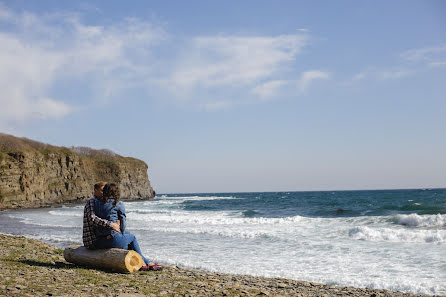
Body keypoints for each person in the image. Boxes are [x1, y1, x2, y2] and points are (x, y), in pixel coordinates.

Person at [90, 182, 163, 271]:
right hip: (113, 240)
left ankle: (143, 263)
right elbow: (123, 222)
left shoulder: (97, 203)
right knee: (132, 237)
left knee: (126, 245)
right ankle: (147, 263)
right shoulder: (118, 204)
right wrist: (121, 232)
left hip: (100, 241)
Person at [82, 181, 120, 249]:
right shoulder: (92, 202)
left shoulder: (102, 202)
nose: (105, 192)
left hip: (100, 238)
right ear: (95, 191)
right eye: (102, 190)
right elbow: (92, 218)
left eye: (105, 190)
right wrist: (111, 224)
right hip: (92, 241)